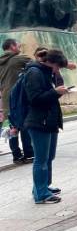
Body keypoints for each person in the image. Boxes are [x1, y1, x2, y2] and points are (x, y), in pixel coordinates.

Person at [23, 49, 70, 204]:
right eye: (58, 67)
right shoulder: (34, 73)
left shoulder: (47, 72)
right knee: (41, 159)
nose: (58, 70)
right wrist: (55, 92)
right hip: (39, 121)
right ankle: (41, 194)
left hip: (49, 120)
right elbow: (34, 99)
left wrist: (57, 90)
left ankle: (42, 187)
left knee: (48, 157)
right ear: (51, 62)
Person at [0, 38, 34, 164]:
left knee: (13, 127)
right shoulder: (18, 59)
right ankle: (29, 154)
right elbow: (37, 64)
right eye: (17, 45)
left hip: (6, 100)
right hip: (18, 98)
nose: (19, 46)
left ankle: (16, 155)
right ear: (12, 46)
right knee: (24, 126)